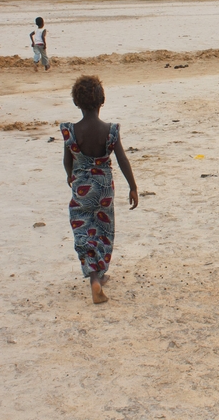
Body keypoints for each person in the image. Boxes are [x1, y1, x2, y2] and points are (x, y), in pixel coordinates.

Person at [61, 75, 139, 303]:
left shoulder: (71, 131)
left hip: (81, 187)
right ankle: (101, 272)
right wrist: (133, 187)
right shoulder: (110, 130)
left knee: (83, 230)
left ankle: (93, 277)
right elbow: (123, 159)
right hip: (104, 188)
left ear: (77, 102)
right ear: (101, 101)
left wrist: (70, 176)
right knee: (103, 230)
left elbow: (67, 160)